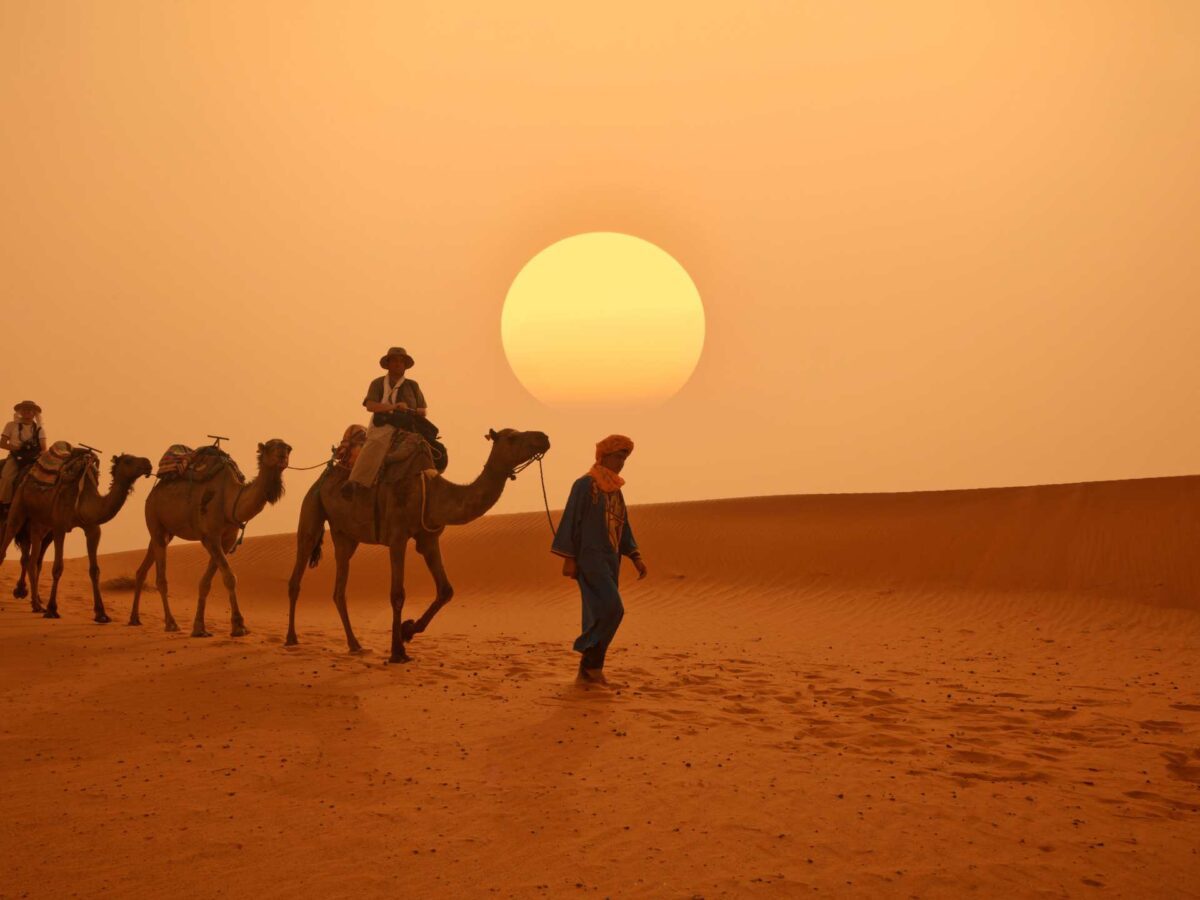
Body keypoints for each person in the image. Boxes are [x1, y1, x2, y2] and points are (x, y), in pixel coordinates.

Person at [551, 434, 648, 684]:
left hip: (610, 559)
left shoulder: (615, 490)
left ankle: (591, 669)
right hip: (589, 558)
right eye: (618, 456)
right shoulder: (584, 485)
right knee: (613, 609)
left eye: (625, 457)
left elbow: (622, 524)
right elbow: (571, 521)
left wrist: (635, 556)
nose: (622, 462)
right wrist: (569, 558)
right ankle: (587, 653)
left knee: (600, 612)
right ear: (604, 456)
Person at [344, 347, 429, 496]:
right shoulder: (377, 384)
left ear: (405, 365)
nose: (398, 364)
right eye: (394, 360)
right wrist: (393, 407)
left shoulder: (413, 386)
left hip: (409, 427)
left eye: (401, 361)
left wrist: (409, 410)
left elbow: (423, 411)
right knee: (376, 443)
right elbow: (370, 406)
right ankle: (356, 481)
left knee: (433, 449)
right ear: (388, 364)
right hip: (384, 425)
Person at [0, 400, 47, 508]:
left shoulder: (39, 429)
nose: (27, 411)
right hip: (16, 457)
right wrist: (15, 448)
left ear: (34, 413)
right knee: (7, 478)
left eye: (30, 409)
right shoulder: (11, 425)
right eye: (25, 409)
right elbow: (2, 443)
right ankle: (4, 504)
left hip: (34, 459)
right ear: (20, 411)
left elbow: (44, 448)